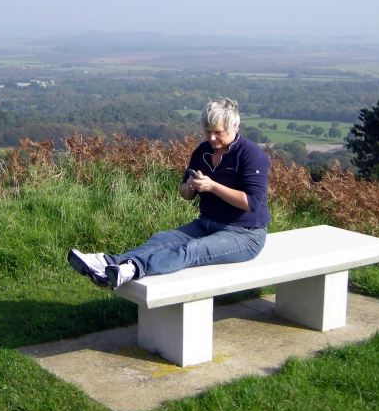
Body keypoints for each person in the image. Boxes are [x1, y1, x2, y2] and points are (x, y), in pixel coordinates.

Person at [68, 97, 270, 290]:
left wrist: (213, 186)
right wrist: (191, 186)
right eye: (207, 132)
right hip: (207, 223)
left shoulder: (251, 155)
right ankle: (106, 263)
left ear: (234, 126)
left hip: (245, 234)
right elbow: (185, 193)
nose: (211, 137)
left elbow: (251, 202)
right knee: (162, 239)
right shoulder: (202, 151)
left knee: (191, 251)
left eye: (218, 132)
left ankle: (132, 269)